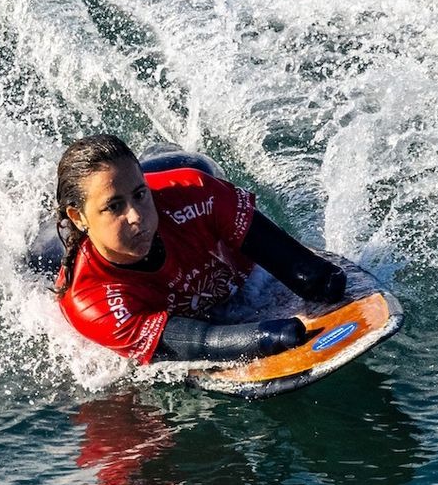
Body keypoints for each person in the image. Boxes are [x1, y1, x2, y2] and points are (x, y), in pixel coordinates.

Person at [53, 134, 347, 364]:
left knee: (197, 165)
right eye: (114, 206)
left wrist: (321, 282)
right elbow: (202, 342)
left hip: (178, 172)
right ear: (79, 218)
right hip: (70, 249)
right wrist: (272, 335)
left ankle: (148, 167)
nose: (136, 216)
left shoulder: (196, 193)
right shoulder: (91, 300)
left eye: (140, 195)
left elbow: (308, 273)